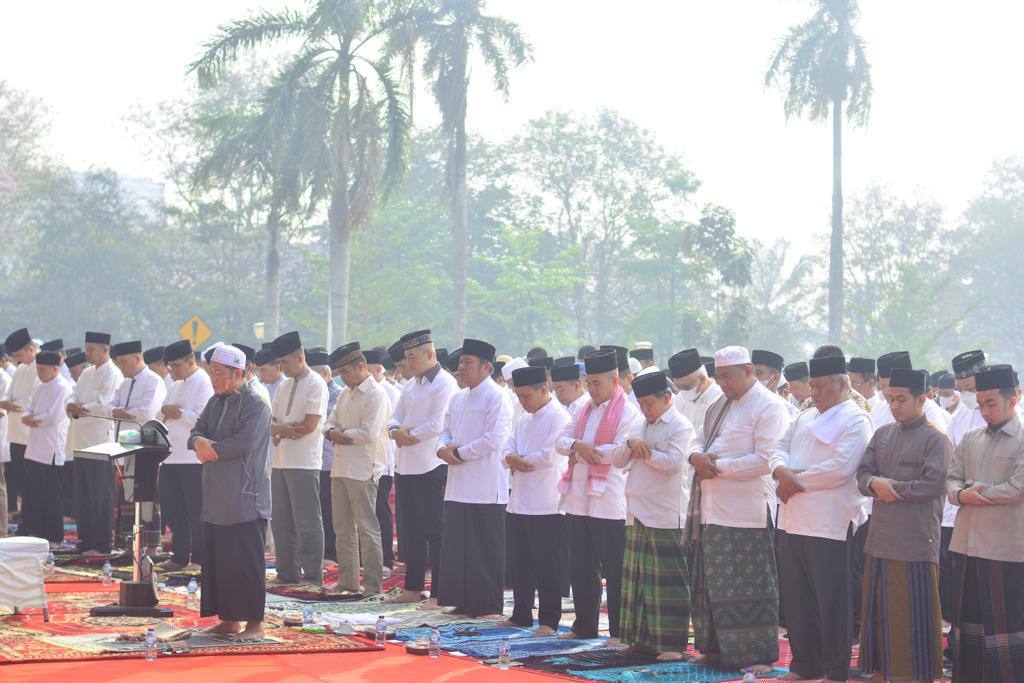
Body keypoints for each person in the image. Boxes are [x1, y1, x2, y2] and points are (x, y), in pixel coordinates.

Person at [770, 352, 873, 683]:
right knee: (798, 599)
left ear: (842, 384)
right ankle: (804, 664)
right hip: (791, 519)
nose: (813, 393)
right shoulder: (804, 416)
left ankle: (835, 670)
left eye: (819, 387)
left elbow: (840, 469)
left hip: (829, 523)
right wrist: (781, 472)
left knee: (831, 602)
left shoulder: (856, 419)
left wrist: (792, 481)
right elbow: (778, 447)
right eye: (811, 386)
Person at [687, 346, 790, 674]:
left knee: (752, 583)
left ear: (749, 371)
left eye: (728, 376)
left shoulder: (769, 406)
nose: (723, 383)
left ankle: (756, 653)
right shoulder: (719, 404)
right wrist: (695, 458)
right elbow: (696, 440)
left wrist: (716, 467)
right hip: (711, 506)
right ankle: (715, 649)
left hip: (747, 511)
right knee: (713, 582)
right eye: (719, 376)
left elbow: (765, 458)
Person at [856, 368, 949, 682]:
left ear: (922, 399)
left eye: (901, 400)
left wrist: (890, 488)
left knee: (913, 613)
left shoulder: (936, 438)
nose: (894, 406)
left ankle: (915, 674)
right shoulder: (882, 434)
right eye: (890, 399)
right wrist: (873, 484)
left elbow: (933, 486)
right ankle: (882, 670)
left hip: (915, 541)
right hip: (880, 539)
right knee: (879, 611)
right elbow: (862, 475)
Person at [555, 349, 644, 643]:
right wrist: (579, 446)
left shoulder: (629, 412)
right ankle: (584, 626)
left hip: (609, 502)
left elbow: (619, 452)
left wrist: (582, 449)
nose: (591, 389)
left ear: (614, 380)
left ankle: (619, 631)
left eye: (596, 383)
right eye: (588, 383)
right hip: (578, 499)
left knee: (615, 570)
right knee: (580, 566)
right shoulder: (582, 409)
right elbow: (561, 440)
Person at [946, 364, 1024, 681]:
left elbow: (1020, 487)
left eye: (990, 403)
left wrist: (979, 494)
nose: (983, 411)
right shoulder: (970, 438)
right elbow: (951, 482)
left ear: (1014, 398)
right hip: (966, 544)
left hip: (1005, 548)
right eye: (979, 403)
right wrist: (963, 495)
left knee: (1005, 627)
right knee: (967, 622)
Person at [188, 344, 271, 638]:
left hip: (245, 497)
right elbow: (196, 429)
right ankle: (229, 619)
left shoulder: (256, 402)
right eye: (212, 373)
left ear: (238, 373)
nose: (214, 379)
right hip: (217, 496)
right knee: (220, 560)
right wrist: (199, 442)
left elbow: (245, 442)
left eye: (219, 373)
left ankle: (254, 624)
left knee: (245, 562)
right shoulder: (216, 401)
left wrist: (212, 449)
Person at [614, 370, 695, 661]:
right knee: (637, 582)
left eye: (649, 403)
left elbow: (674, 463)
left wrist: (642, 452)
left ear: (666, 398)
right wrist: (630, 445)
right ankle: (641, 640)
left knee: (667, 582)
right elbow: (615, 458)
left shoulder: (680, 426)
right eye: (641, 403)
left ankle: (672, 644)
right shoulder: (639, 423)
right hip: (636, 511)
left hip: (665, 513)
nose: (645, 409)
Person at [436, 338, 514, 617]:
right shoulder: (458, 397)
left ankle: (488, 604)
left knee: (484, 546)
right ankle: (462, 600)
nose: (462, 369)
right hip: (458, 482)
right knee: (459, 545)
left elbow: (495, 438)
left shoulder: (498, 396)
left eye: (468, 363)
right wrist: (443, 450)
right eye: (460, 363)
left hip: (485, 483)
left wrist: (461, 453)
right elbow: (445, 431)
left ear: (487, 367)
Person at [385, 330, 459, 606]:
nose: (409, 363)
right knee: (410, 529)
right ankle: (413, 587)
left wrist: (407, 434)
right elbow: (395, 415)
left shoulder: (445, 384)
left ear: (430, 354)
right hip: (405, 464)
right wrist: (395, 430)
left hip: (431, 464)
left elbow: (438, 423)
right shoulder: (410, 384)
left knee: (435, 531)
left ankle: (439, 592)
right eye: (406, 358)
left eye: (412, 357)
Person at [500, 365, 571, 635]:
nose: (522, 401)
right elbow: (506, 447)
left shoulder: (559, 418)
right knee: (521, 562)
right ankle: (520, 614)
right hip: (519, 500)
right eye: (518, 396)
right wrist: (511, 458)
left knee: (547, 564)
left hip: (546, 501)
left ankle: (549, 620)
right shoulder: (524, 419)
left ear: (544, 390)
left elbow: (550, 456)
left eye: (526, 396)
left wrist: (518, 459)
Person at [323, 342, 389, 594]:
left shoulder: (376, 394)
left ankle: (373, 584)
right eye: (340, 374)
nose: (343, 378)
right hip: (340, 466)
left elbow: (369, 433)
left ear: (361, 367)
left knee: (367, 528)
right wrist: (333, 433)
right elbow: (328, 423)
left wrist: (340, 434)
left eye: (346, 372)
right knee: (342, 528)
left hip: (363, 467)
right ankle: (348, 582)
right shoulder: (344, 393)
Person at [269, 331, 328, 586]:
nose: (282, 368)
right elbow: (272, 423)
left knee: (307, 523)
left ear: (300, 357)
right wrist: (282, 429)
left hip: (304, 462)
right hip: (280, 460)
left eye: (285, 362)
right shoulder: (284, 384)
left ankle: (313, 576)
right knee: (281, 522)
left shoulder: (316, 383)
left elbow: (309, 424)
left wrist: (283, 429)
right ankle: (287, 573)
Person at [157, 340, 214, 571]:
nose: (173, 370)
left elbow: (204, 419)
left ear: (191, 361)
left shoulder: (204, 383)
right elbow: (162, 411)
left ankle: (199, 558)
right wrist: (165, 410)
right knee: (173, 509)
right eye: (170, 366)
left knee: (196, 511)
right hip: (171, 456)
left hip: (192, 458)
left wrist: (177, 412)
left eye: (177, 365)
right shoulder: (174, 384)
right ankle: (179, 556)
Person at [65, 331, 122, 554]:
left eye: (91, 349)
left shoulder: (113, 373)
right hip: (80, 441)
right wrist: (71, 405)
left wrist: (82, 408)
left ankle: (101, 543)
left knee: (100, 495)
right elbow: (73, 395)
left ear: (104, 349)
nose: (87, 352)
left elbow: (106, 405)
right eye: (86, 348)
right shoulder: (87, 373)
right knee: (83, 495)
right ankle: (85, 540)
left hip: (100, 441)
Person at [20, 351, 73, 545]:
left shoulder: (62, 388)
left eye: (42, 369)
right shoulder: (39, 387)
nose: (39, 373)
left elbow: (53, 416)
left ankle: (54, 537)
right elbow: (28, 408)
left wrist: (32, 418)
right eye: (38, 369)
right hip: (34, 447)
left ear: (55, 369)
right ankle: (40, 534)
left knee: (52, 497)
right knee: (36, 495)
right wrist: (28, 417)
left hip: (51, 449)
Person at [668, 348, 722, 531]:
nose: (682, 391)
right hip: (680, 479)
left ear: (701, 378)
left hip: (706, 477)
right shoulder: (680, 400)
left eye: (686, 386)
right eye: (679, 387)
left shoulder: (720, 398)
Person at [1, 328, 39, 529]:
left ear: (31, 349)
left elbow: (34, 399)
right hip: (15, 434)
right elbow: (9, 394)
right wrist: (6, 402)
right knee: (23, 483)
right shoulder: (21, 370)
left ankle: (34, 522)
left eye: (18, 355)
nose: (16, 360)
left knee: (33, 484)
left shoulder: (41, 368)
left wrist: (13, 404)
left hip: (31, 436)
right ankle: (27, 521)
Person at [366, 347, 400, 570]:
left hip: (384, 459)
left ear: (378, 370)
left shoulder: (390, 392)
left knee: (380, 510)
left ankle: (386, 557)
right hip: (365, 460)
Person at [308, 350, 338, 562]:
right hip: (314, 460)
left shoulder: (338, 395)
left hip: (331, 461)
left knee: (331, 511)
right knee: (317, 510)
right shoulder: (310, 391)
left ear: (326, 373)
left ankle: (331, 553)